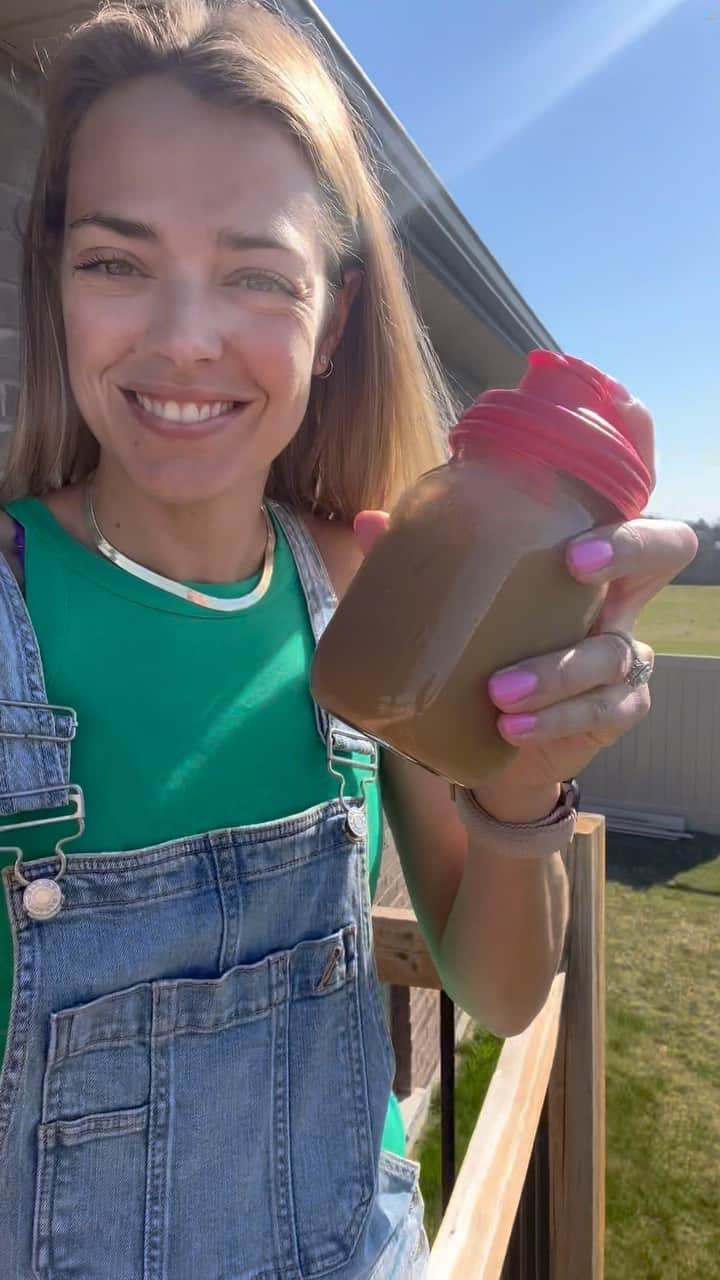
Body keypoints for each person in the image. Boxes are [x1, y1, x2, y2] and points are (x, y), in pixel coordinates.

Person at [0, 1, 697, 1276]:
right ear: (56, 283)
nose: (184, 336)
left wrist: (527, 776)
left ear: (333, 319)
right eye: (116, 260)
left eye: (258, 273)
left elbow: (497, 988)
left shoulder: (372, 592)